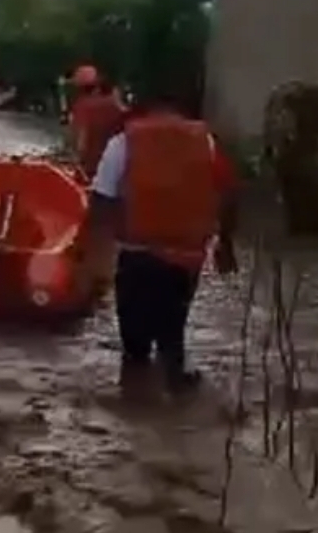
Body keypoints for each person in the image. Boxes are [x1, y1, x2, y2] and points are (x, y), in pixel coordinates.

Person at [74, 72, 238, 393]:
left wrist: (91, 257)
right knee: (171, 338)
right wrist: (226, 243)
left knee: (135, 350)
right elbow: (229, 192)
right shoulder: (204, 141)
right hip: (186, 259)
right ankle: (176, 403)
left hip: (137, 256)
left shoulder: (124, 141)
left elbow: (102, 200)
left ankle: (136, 411)